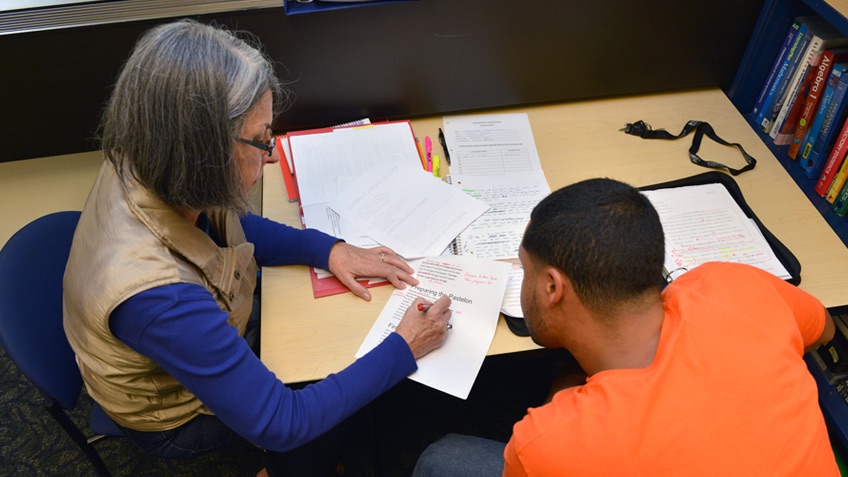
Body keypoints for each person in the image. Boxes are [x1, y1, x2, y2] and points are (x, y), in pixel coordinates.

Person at [62, 19, 453, 476]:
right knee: (330, 392)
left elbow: (230, 222)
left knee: (329, 353)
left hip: (198, 331)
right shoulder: (156, 296)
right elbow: (282, 422)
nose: (271, 153)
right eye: (262, 139)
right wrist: (404, 346)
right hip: (173, 416)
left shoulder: (153, 149)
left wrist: (328, 250)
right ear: (206, 154)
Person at [413, 177, 838, 476]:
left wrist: (565, 392)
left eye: (525, 269)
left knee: (444, 459)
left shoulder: (549, 441)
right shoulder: (733, 284)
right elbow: (824, 330)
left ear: (551, 287)